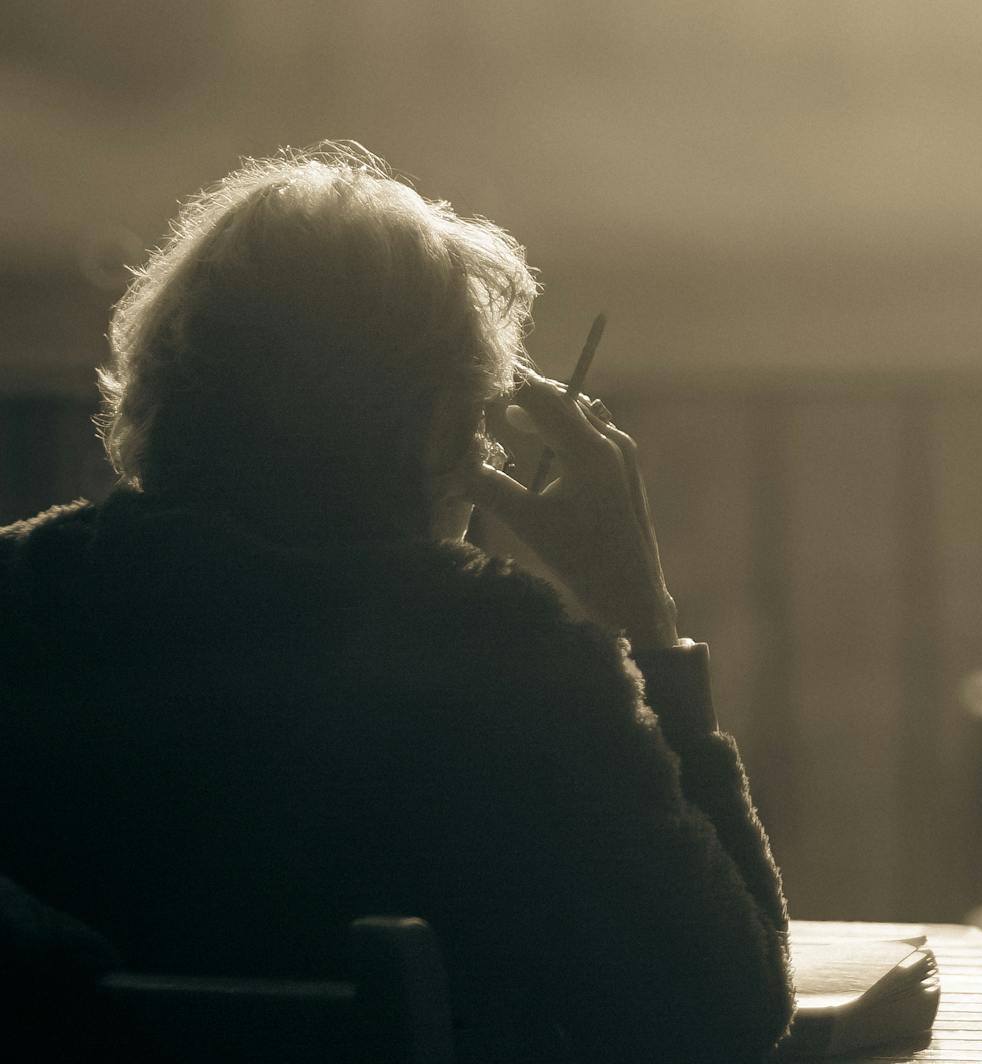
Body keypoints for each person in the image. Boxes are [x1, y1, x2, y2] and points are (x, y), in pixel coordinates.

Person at [0, 143, 793, 1062]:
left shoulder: (21, 599)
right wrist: (642, 622)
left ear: (159, 388)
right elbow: (726, 1011)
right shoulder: (506, 660)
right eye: (474, 415)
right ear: (430, 429)